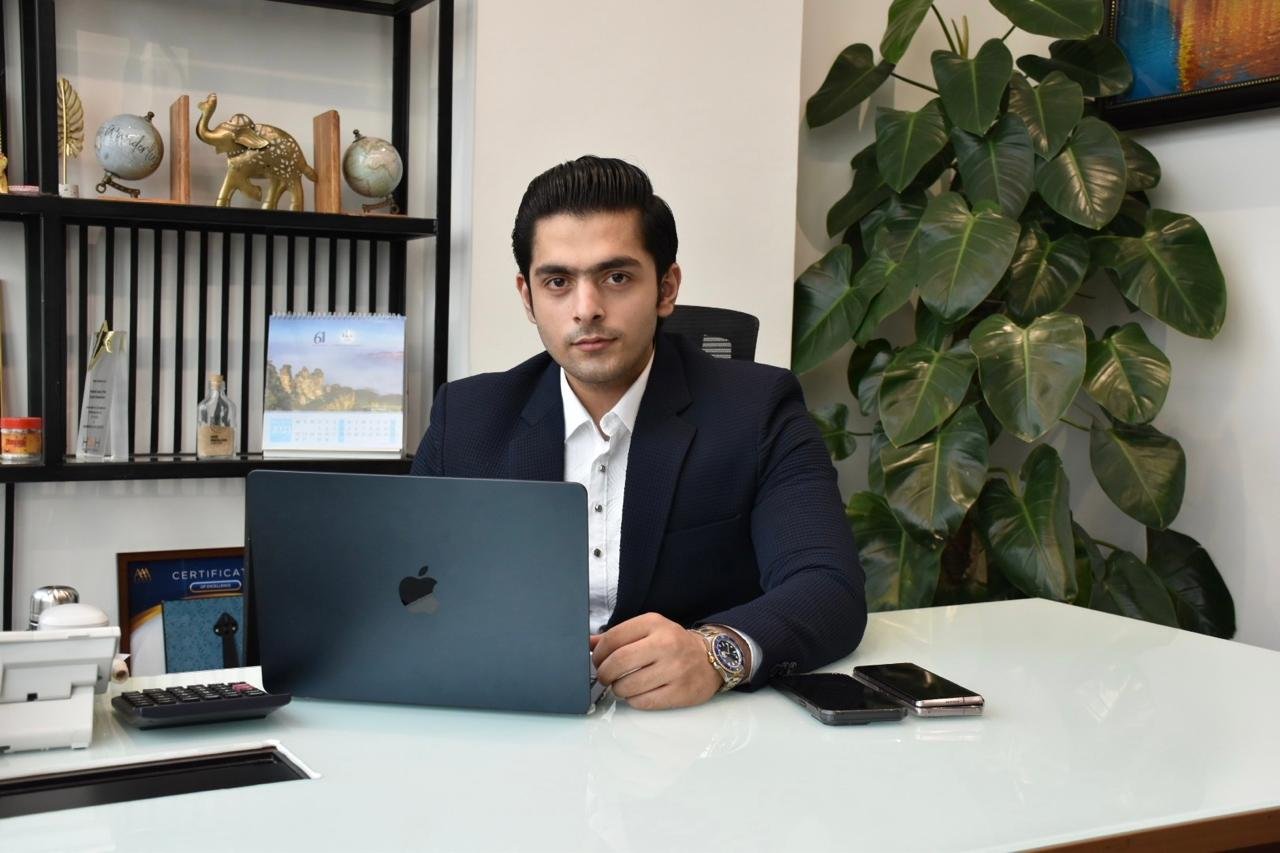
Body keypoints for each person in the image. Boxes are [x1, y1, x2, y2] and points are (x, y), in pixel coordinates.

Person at [411, 156, 865, 709]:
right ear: (528, 297)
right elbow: (403, 586)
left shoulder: (757, 410)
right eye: (558, 282)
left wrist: (715, 652)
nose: (587, 310)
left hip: (689, 733)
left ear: (666, 288)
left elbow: (828, 586)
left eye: (617, 277)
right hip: (514, 719)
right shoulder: (467, 418)